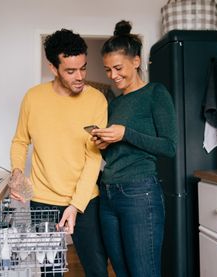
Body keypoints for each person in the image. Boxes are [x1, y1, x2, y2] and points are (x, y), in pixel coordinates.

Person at [9, 28, 109, 277]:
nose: (80, 77)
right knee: (50, 272)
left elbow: (93, 158)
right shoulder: (33, 98)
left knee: (97, 270)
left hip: (86, 200)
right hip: (43, 200)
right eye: (71, 71)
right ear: (53, 68)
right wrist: (17, 172)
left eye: (83, 68)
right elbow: (20, 141)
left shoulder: (97, 100)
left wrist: (75, 205)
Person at [91, 20, 177, 277]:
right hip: (107, 195)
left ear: (136, 62)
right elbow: (117, 153)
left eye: (118, 68)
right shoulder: (114, 104)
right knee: (121, 271)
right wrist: (104, 144)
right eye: (107, 70)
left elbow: (169, 147)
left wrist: (126, 133)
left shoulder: (155, 93)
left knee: (144, 273)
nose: (113, 75)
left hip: (140, 194)